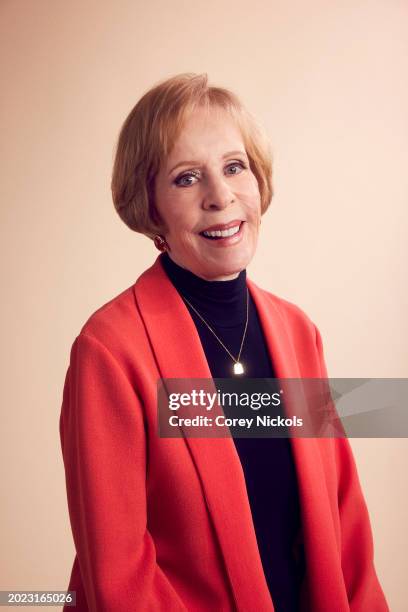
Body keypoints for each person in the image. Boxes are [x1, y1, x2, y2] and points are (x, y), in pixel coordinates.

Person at [59, 73, 389, 611]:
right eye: (187, 178)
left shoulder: (297, 331)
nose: (221, 197)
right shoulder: (110, 351)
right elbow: (117, 575)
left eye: (235, 167)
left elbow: (344, 518)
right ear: (150, 205)